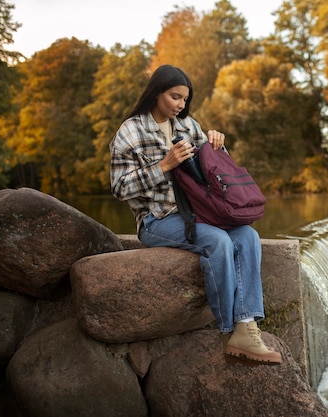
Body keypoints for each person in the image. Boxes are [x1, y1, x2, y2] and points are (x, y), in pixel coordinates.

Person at [110, 64, 281, 365]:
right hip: (157, 219)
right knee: (219, 242)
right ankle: (228, 328)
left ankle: (247, 325)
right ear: (156, 92)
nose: (180, 105)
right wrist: (164, 166)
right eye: (175, 97)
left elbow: (216, 176)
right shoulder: (130, 131)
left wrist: (218, 147)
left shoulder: (190, 126)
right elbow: (120, 188)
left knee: (248, 236)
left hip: (201, 213)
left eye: (185, 100)